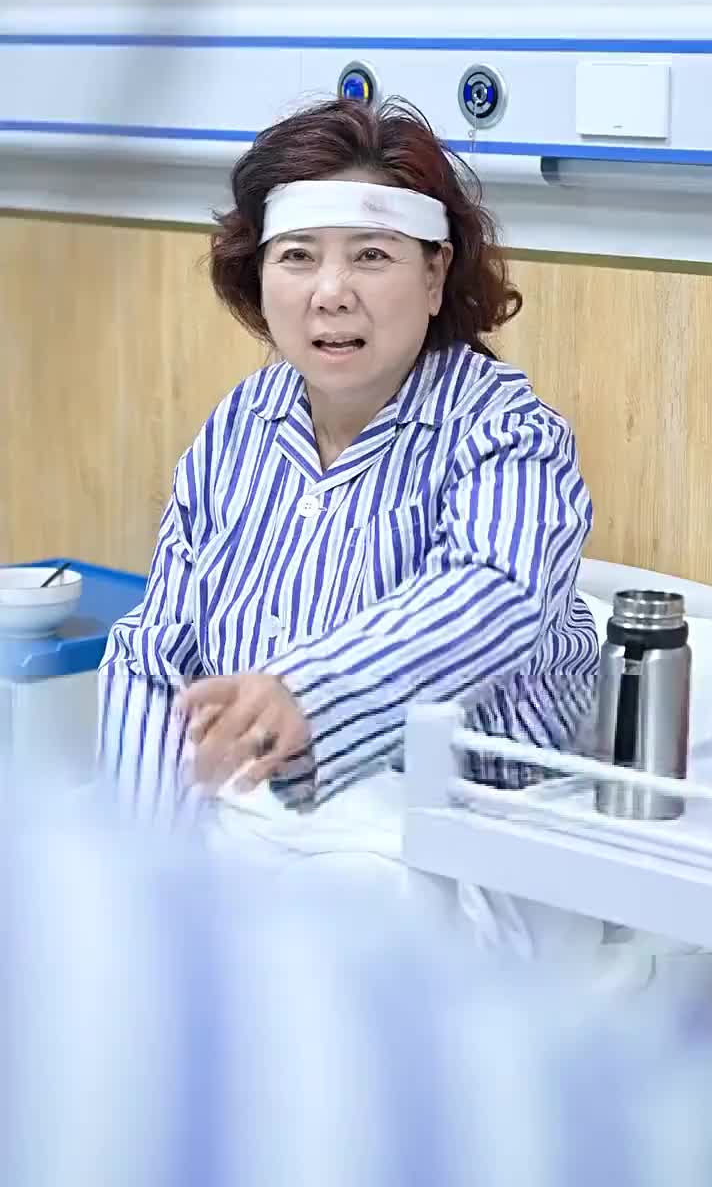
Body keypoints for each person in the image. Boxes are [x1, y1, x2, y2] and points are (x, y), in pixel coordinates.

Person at [99, 97, 599, 955]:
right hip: (244, 825)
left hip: (460, 847)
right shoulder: (238, 429)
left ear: (435, 275)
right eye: (298, 256)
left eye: (372, 255)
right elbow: (155, 655)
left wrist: (308, 692)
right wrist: (145, 867)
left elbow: (496, 592)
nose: (332, 294)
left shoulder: (508, 433)